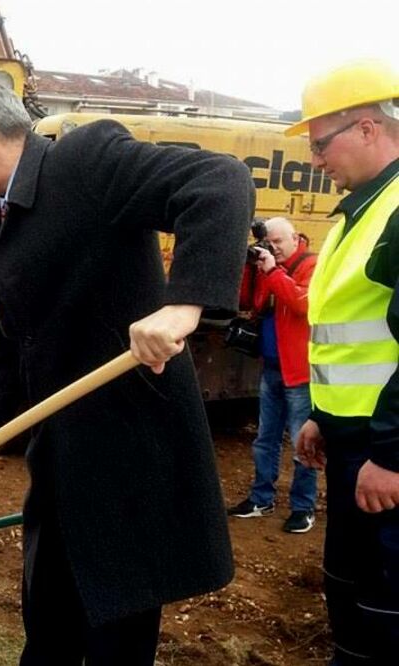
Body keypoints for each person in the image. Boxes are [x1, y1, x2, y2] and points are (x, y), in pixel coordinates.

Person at [0, 78, 253, 664]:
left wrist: (184, 305)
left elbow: (220, 181)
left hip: (127, 458)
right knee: (47, 629)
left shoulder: (85, 162)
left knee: (116, 641)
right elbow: (12, 340)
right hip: (59, 460)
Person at [290, 59, 399, 664]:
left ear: (366, 128)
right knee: (351, 591)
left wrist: (392, 455)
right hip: (352, 441)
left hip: (385, 453)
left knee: (386, 607)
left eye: (319, 144)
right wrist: (320, 415)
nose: (315, 161)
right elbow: (349, 338)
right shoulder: (360, 211)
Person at [228, 217, 319, 533]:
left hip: (299, 372)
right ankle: (261, 499)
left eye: (279, 241)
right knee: (265, 440)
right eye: (270, 242)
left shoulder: (311, 265)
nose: (274, 248)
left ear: (295, 238)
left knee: (302, 444)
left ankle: (303, 508)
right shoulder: (268, 265)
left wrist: (272, 270)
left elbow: (302, 304)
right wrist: (249, 266)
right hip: (271, 368)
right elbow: (248, 301)